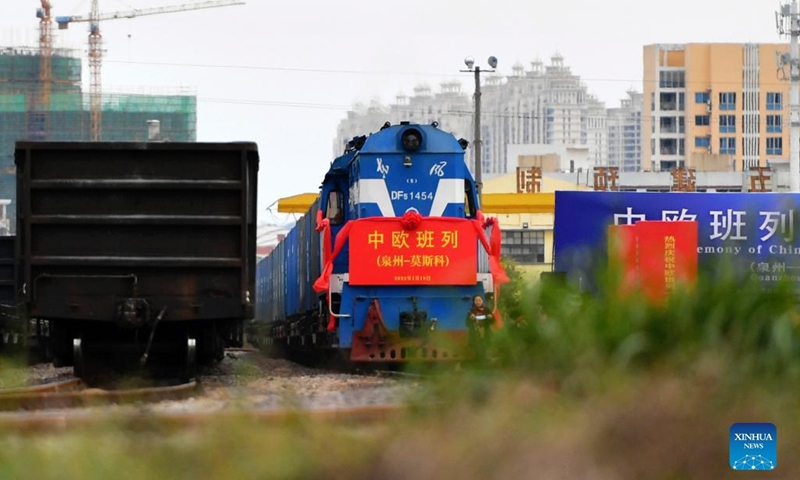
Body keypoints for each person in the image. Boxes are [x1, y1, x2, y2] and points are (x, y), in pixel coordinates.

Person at [465, 294, 494, 359]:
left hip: (485, 332)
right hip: (475, 333)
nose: (478, 302)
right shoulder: (471, 311)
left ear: (482, 301)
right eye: (476, 300)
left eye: (479, 300)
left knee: (485, 347)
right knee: (476, 348)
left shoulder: (487, 310)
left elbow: (492, 321)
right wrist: (471, 319)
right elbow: (467, 324)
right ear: (474, 302)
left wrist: (490, 317)